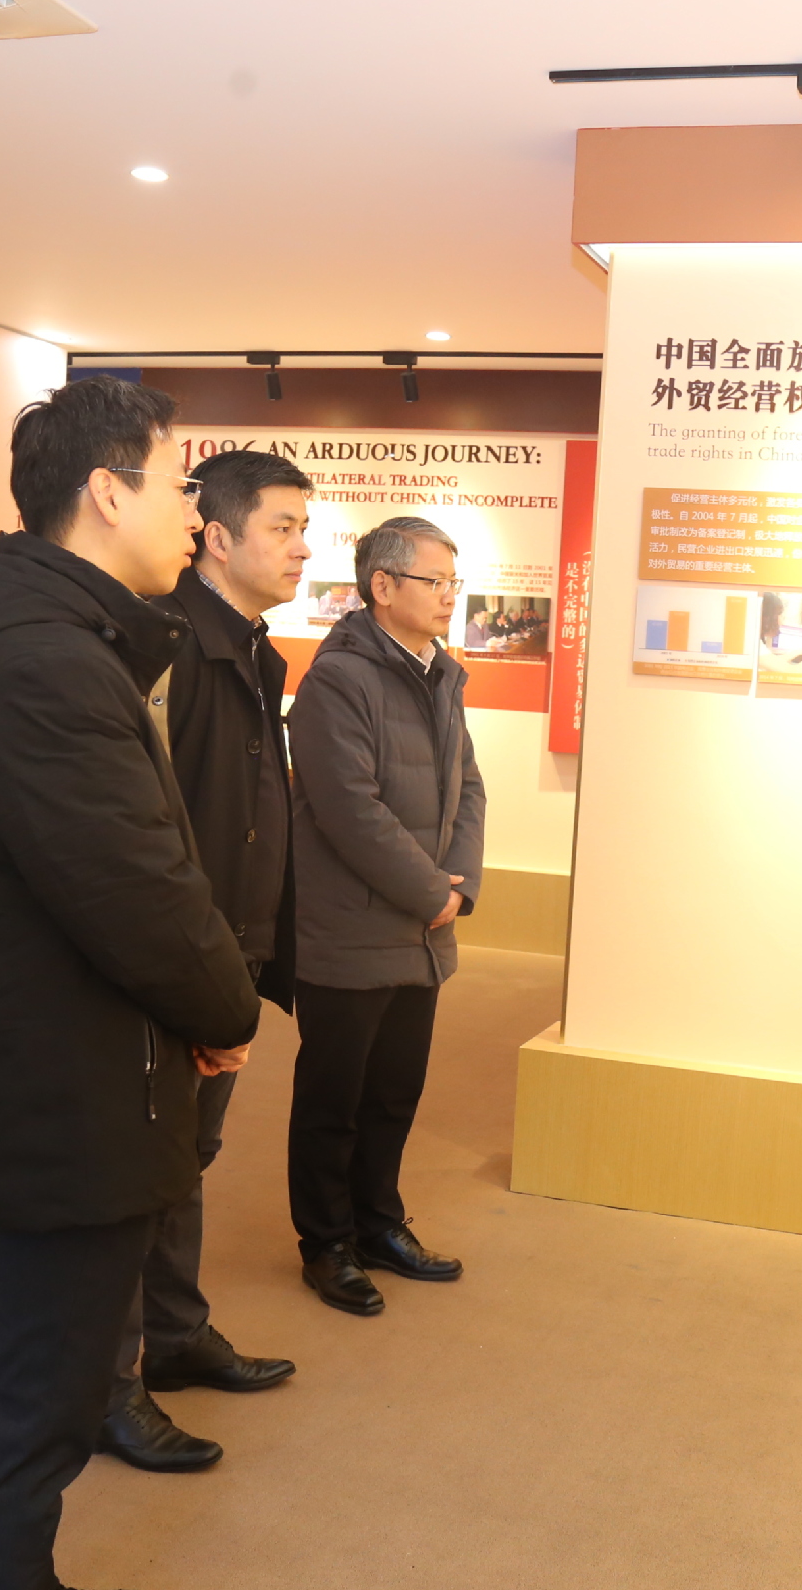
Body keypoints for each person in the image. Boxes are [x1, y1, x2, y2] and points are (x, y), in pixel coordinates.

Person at [0, 376, 259, 1590]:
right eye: (180, 486)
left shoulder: (55, 643)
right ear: (106, 492)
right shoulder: (45, 664)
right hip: (62, 1092)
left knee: (27, 1372)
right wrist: (225, 1008)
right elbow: (135, 889)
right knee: (39, 1394)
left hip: (64, 1072)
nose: (195, 515)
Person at [92, 448, 315, 1473]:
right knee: (141, 1173)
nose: (301, 548)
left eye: (305, 529)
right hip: (179, 963)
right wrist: (194, 978)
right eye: (282, 527)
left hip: (228, 956)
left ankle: (176, 1336)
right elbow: (147, 838)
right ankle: (109, 1384)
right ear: (219, 539)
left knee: (185, 1160)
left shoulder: (252, 651)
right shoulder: (167, 652)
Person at [286, 516, 485, 1315]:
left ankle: (378, 1223)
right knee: (333, 1100)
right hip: (350, 929)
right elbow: (349, 809)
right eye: (435, 581)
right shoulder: (338, 681)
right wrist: (433, 892)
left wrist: (459, 886)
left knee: (395, 1091)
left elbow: (469, 787)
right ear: (382, 586)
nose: (448, 596)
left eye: (452, 581)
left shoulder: (441, 673)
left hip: (421, 930)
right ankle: (326, 1244)